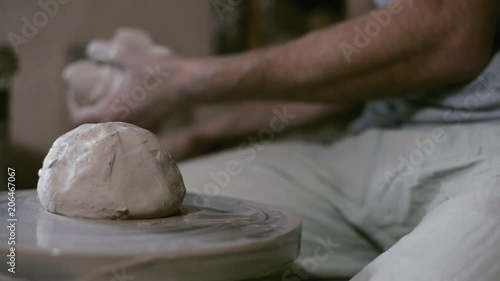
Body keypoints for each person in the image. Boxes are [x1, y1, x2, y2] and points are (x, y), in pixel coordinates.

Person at [64, 0, 500, 280]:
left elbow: (450, 30)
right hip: (364, 149)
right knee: (112, 239)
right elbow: (364, 69)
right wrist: (205, 133)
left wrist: (187, 79)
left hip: (486, 155)